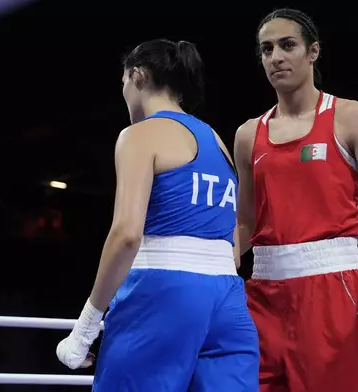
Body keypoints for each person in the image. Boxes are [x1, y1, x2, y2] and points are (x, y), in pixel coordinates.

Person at [56, 38, 260, 392]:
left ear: (137, 76)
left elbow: (126, 235)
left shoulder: (139, 136)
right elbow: (233, 239)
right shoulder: (216, 139)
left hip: (164, 293)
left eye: (122, 82)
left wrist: (87, 324)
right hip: (228, 301)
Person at [233, 8, 358, 392]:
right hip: (261, 297)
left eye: (287, 45)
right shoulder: (248, 134)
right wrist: (210, 270)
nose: (276, 57)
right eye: (266, 49)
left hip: (332, 291)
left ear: (313, 51)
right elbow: (246, 222)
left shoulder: (350, 118)